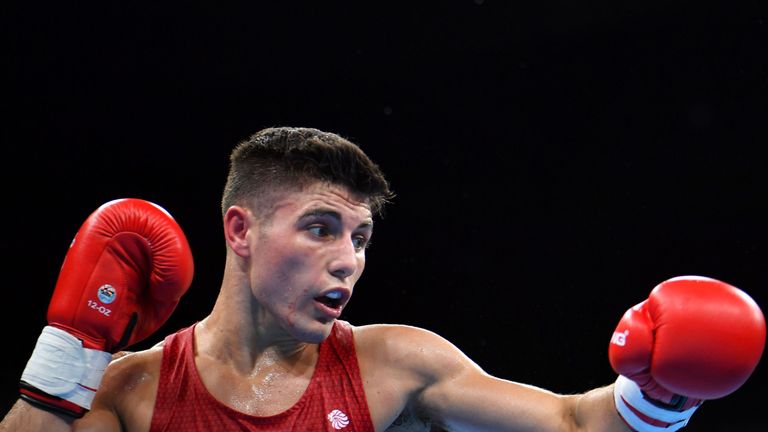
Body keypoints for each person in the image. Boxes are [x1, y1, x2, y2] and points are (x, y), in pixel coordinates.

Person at [1, 126, 765, 432]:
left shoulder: (391, 365)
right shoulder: (130, 389)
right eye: (322, 228)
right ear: (241, 230)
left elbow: (572, 422)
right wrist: (73, 340)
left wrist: (662, 393)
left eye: (361, 237)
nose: (349, 260)